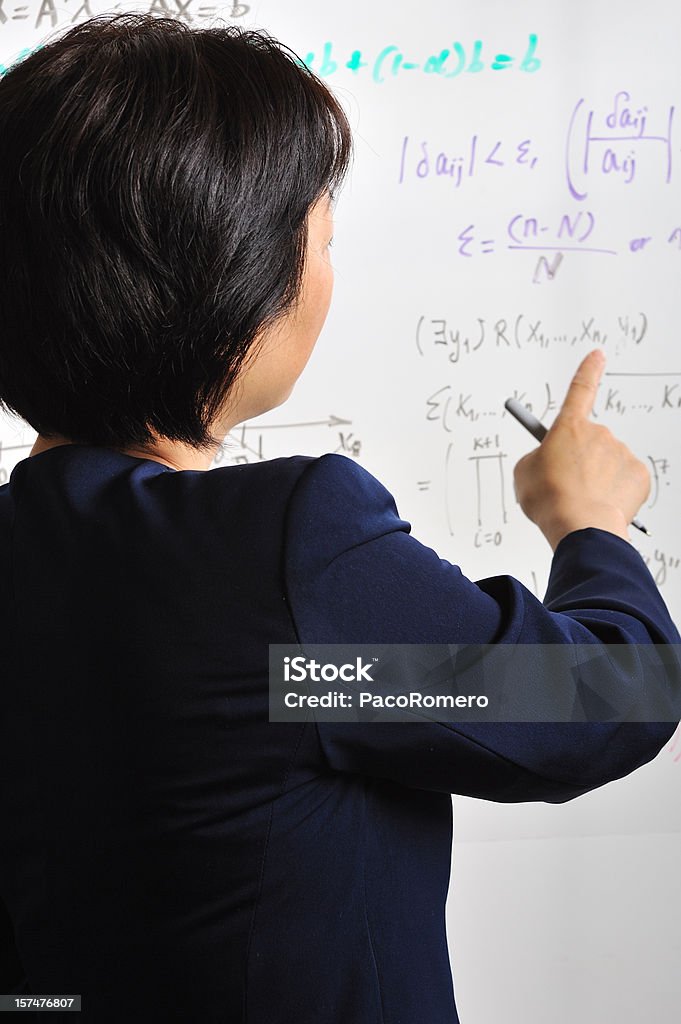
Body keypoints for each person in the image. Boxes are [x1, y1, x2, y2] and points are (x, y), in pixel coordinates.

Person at [0, 12, 679, 1024]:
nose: (326, 273)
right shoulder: (279, 568)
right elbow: (604, 699)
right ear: (233, 280)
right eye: (320, 236)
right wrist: (592, 527)